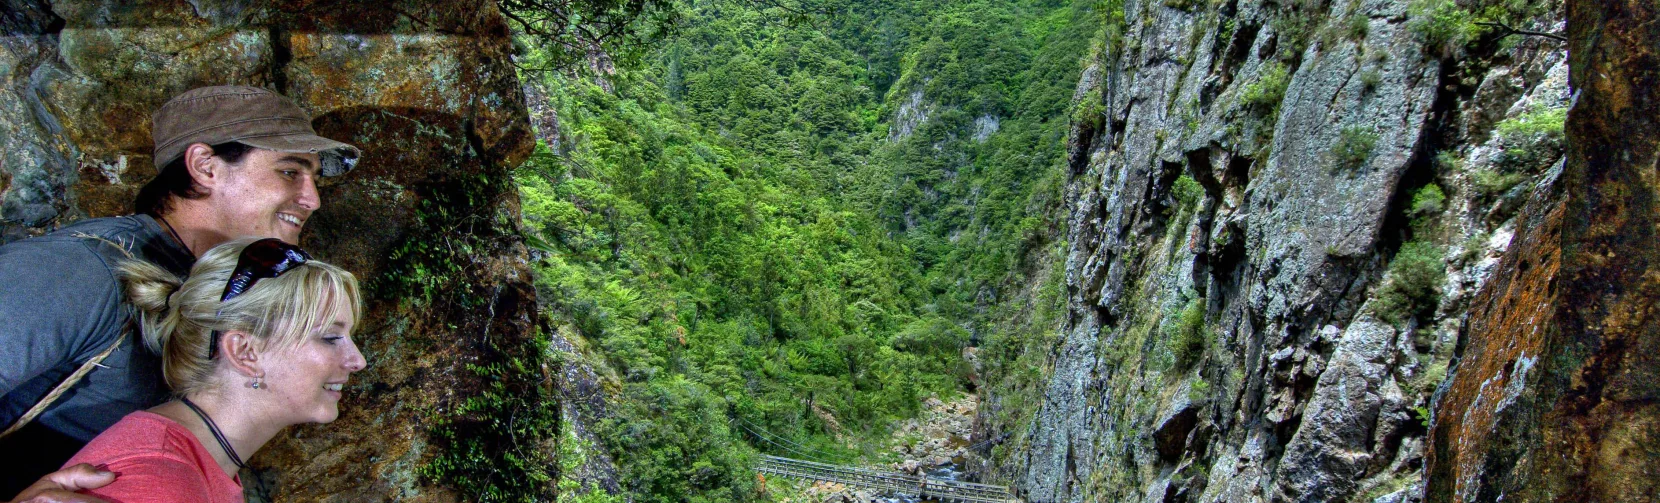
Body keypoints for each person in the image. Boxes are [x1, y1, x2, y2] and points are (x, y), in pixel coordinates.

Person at [0, 85, 360, 500]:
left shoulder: (219, 293)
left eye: (313, 179)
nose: (311, 199)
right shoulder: (82, 269)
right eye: (289, 171)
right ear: (205, 166)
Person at [62, 237, 366, 502]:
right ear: (244, 352)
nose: (358, 361)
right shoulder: (161, 480)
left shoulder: (192, 463)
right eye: (330, 338)